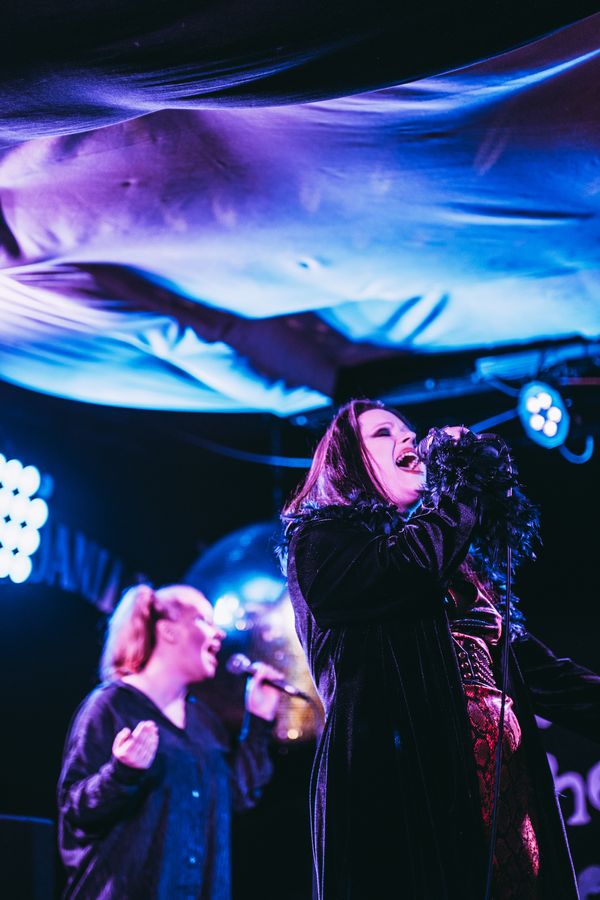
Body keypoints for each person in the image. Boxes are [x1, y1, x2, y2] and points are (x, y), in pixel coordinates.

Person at [281, 398, 600, 900]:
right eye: (384, 433)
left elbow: (545, 675)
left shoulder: (454, 571)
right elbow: (404, 569)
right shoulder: (320, 540)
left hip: (500, 800)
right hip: (406, 792)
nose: (408, 438)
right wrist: (459, 486)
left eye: (407, 430)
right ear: (348, 463)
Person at [58, 583, 282, 899]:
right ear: (168, 631)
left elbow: (235, 798)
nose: (219, 633)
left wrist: (258, 723)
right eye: (204, 620)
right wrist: (122, 773)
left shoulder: (204, 723)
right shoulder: (111, 706)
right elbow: (75, 811)